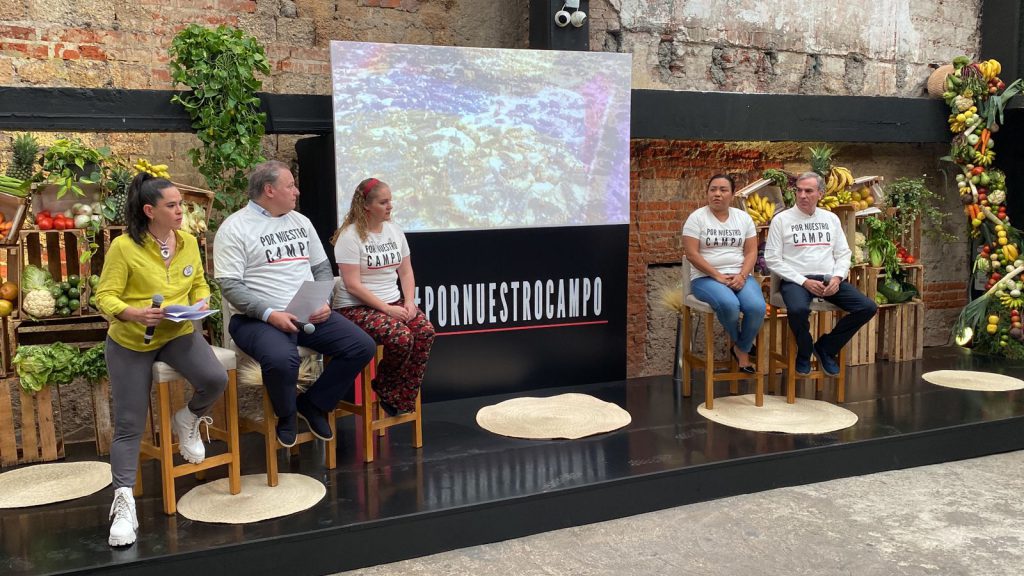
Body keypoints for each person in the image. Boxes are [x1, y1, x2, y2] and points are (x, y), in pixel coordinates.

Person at [97, 173, 227, 547]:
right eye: (172, 206)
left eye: (181, 205)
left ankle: (186, 418)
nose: (180, 212)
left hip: (178, 333)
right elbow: (105, 297)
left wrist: (200, 302)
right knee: (129, 423)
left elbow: (200, 282)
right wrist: (133, 313)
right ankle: (123, 504)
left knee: (215, 379)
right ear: (149, 210)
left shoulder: (188, 242)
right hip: (130, 342)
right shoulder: (123, 247)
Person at [214, 161, 375, 448]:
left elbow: (322, 269)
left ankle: (313, 404)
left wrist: (324, 300)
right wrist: (269, 314)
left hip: (306, 311)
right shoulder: (235, 227)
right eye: (290, 186)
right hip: (256, 320)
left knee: (361, 346)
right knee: (281, 359)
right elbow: (230, 285)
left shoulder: (301, 222)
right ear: (269, 190)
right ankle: (286, 415)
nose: (296, 192)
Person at [331, 178, 434, 416]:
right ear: (366, 206)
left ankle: (396, 394)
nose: (390, 206)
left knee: (425, 332)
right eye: (383, 202)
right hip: (356, 307)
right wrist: (387, 310)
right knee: (400, 337)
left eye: (391, 201)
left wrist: (409, 302)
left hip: (393, 302)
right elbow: (353, 285)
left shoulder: (394, 231)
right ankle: (388, 387)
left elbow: (406, 272)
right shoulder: (350, 236)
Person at [764, 171, 878, 376]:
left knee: (867, 307)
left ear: (820, 194)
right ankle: (805, 350)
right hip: (796, 281)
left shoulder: (830, 219)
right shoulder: (781, 220)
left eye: (808, 191)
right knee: (798, 310)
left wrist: (837, 277)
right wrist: (804, 281)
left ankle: (826, 347)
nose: (802, 195)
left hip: (828, 279)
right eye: (799, 191)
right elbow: (772, 259)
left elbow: (844, 253)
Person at [682, 174, 765, 373]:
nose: (717, 194)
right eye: (713, 190)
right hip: (706, 278)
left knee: (756, 307)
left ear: (732, 194)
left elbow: (752, 251)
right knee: (729, 305)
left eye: (723, 190)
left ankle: (739, 347)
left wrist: (743, 275)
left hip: (739, 275)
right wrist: (717, 275)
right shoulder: (697, 218)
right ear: (707, 193)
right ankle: (743, 350)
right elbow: (691, 254)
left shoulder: (743, 218)